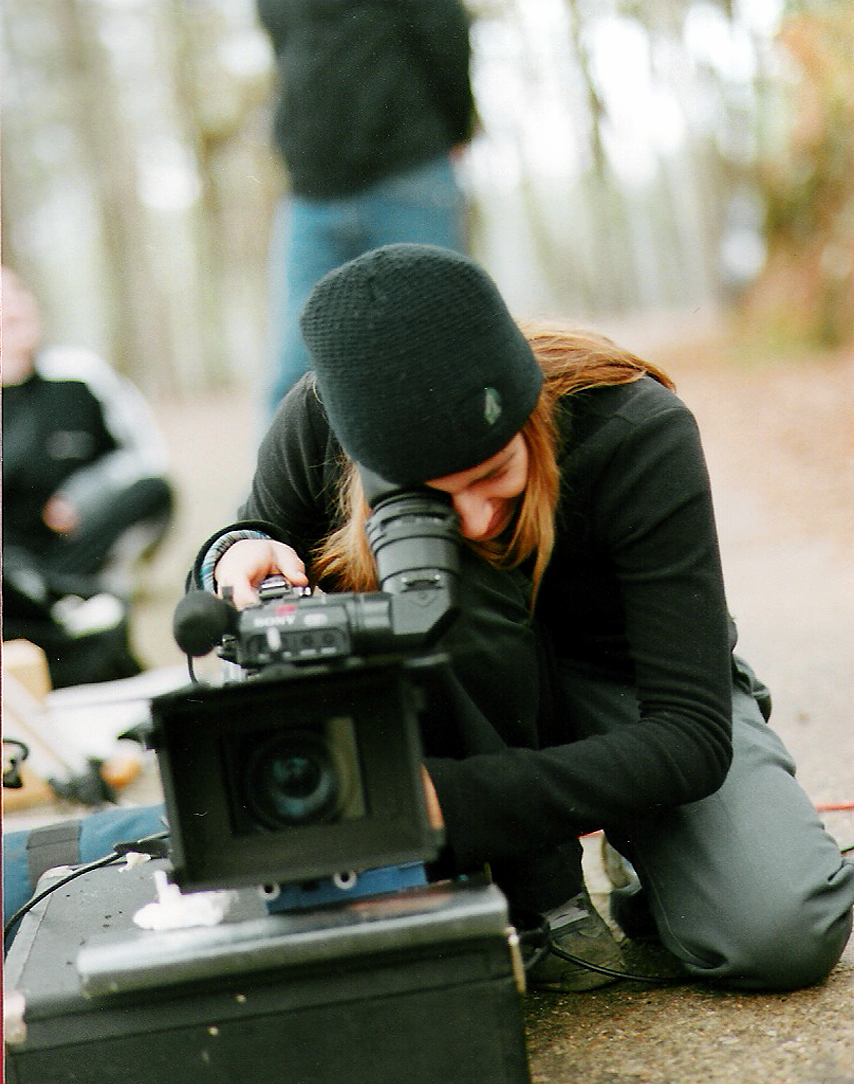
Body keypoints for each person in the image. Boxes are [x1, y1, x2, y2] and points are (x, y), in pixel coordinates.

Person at [195, 243, 853, 993]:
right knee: (444, 588)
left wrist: (444, 802)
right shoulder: (322, 419)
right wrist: (234, 556)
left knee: (780, 930)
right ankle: (541, 898)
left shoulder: (637, 430)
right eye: (432, 498)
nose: (477, 520)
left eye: (494, 474)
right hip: (447, 693)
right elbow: (238, 573)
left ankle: (642, 848)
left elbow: (693, 735)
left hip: (629, 693)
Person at [249, 0, 477, 414]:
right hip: (311, 189)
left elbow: (442, 20)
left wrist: (456, 127)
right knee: (292, 373)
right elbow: (286, 51)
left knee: (441, 350)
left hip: (408, 171)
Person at [1, 266, 175, 687]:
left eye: (19, 292)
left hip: (74, 542)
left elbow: (147, 457)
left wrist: (86, 495)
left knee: (153, 490)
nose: (14, 306)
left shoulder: (79, 375)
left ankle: (65, 594)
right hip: (10, 556)